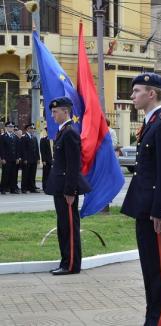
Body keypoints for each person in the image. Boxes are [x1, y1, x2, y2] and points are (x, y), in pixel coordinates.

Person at [121, 73, 161, 326]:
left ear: (152, 94)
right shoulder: (151, 122)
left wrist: (160, 211)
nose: (132, 96)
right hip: (145, 208)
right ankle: (153, 317)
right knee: (150, 269)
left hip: (155, 211)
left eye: (136, 91)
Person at [45, 96, 91, 276]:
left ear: (66, 111)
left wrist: (70, 190)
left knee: (69, 227)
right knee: (63, 226)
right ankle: (65, 261)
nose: (53, 115)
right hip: (61, 187)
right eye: (52, 112)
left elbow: (73, 164)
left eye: (56, 111)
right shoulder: (63, 131)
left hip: (67, 189)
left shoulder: (70, 132)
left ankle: (71, 265)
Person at [0, 121, 20, 194]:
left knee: (14, 174)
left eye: (12, 127)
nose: (11, 128)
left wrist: (18, 157)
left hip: (14, 159)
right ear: (6, 127)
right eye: (9, 126)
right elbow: (1, 149)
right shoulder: (2, 136)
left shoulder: (15, 137)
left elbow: (18, 148)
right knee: (5, 174)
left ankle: (13, 189)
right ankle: (3, 189)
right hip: (6, 159)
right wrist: (2, 158)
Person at [21, 124, 40, 193]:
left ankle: (32, 188)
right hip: (27, 159)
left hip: (34, 159)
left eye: (34, 128)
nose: (33, 129)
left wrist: (38, 158)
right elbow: (23, 149)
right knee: (25, 174)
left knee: (32, 174)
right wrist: (25, 159)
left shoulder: (34, 137)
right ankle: (24, 188)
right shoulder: (24, 137)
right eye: (31, 128)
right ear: (27, 129)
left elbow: (37, 149)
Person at [40, 127, 52, 191]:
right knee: (46, 174)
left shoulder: (55, 139)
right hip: (47, 160)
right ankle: (45, 187)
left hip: (53, 160)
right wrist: (43, 160)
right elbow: (42, 151)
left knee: (52, 174)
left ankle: (51, 187)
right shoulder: (43, 140)